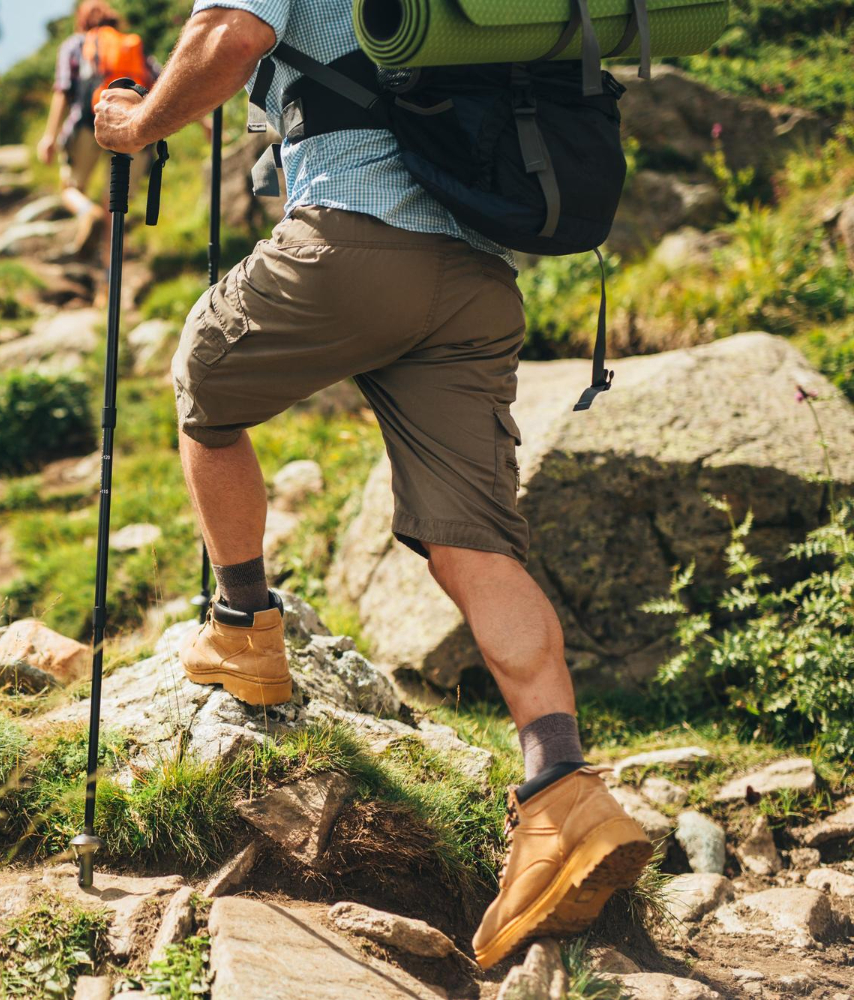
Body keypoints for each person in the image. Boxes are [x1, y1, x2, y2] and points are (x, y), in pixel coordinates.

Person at [91, 0, 652, 971]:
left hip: (357, 239)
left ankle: (244, 631)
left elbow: (228, 38)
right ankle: (563, 788)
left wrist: (139, 125)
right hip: (476, 273)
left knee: (203, 381)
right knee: (473, 543)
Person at [36, 1, 160, 260]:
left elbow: (62, 90)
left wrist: (49, 136)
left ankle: (85, 212)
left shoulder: (75, 44)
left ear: (81, 21)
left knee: (70, 187)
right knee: (115, 205)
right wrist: (204, 124)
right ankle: (109, 275)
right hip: (130, 126)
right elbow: (161, 83)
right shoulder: (132, 44)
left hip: (86, 122)